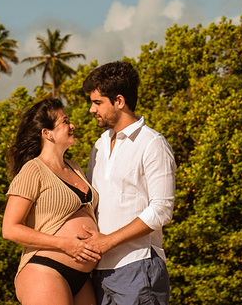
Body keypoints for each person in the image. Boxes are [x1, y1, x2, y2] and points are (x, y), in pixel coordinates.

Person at [81, 61, 176, 305]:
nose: (92, 110)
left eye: (97, 102)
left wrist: (108, 241)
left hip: (138, 266)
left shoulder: (152, 143)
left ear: (119, 101)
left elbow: (161, 210)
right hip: (100, 272)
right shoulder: (100, 144)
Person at [3, 98, 102, 305]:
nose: (72, 125)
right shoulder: (33, 169)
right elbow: (10, 229)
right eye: (65, 121)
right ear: (47, 133)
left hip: (82, 278)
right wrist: (65, 244)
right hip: (46, 268)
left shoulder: (75, 167)